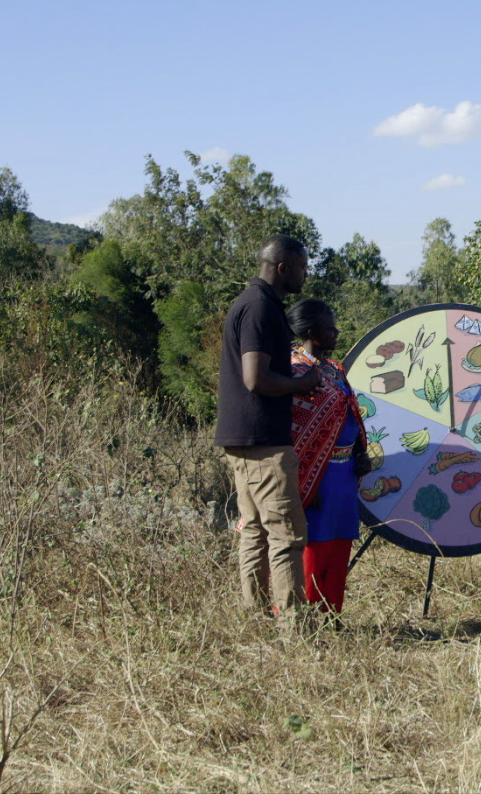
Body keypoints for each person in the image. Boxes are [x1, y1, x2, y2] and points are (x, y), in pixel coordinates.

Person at [214, 234, 321, 628]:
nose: (305, 275)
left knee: (255, 531)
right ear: (283, 267)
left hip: (242, 438)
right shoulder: (260, 307)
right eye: (302, 267)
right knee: (286, 535)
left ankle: (254, 620)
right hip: (263, 441)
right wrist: (301, 382)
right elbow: (256, 378)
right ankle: (294, 626)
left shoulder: (252, 303)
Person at [285, 299, 372, 619]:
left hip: (343, 474)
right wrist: (307, 477)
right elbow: (294, 428)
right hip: (314, 478)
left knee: (339, 545)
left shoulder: (334, 369)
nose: (336, 332)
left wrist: (361, 453)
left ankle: (331, 616)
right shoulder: (292, 369)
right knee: (313, 547)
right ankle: (306, 620)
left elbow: (350, 412)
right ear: (312, 332)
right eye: (330, 327)